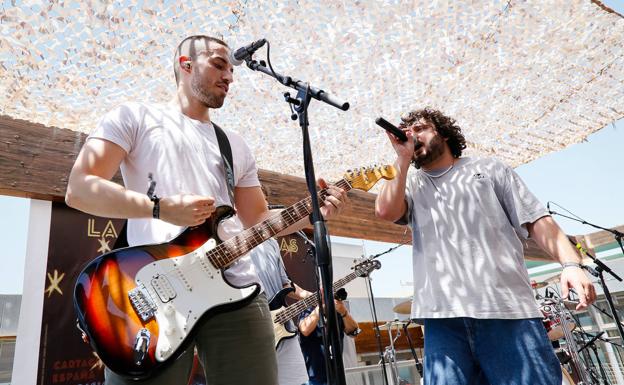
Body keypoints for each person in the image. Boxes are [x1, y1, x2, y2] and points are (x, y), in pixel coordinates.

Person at [65, 34, 348, 385]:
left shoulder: (235, 145)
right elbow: (79, 189)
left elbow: (257, 219)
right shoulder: (133, 117)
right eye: (218, 64)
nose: (229, 76)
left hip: (238, 289)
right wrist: (160, 209)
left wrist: (309, 213)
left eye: (232, 69)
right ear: (185, 64)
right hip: (156, 293)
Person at [374, 107, 597, 385]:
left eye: (420, 128)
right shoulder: (410, 182)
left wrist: (571, 264)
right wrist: (401, 158)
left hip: (506, 312)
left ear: (443, 132)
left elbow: (536, 218)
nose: (411, 134)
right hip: (442, 319)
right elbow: (385, 211)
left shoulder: (488, 168)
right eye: (407, 131)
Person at [249, 236, 312, 385]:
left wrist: (311, 296)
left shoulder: (271, 242)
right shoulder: (230, 233)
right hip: (251, 328)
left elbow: (286, 284)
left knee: (296, 381)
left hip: (284, 329)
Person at [297, 291, 359, 385]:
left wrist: (343, 312)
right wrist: (320, 307)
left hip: (336, 375)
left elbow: (354, 332)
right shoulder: (308, 310)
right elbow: (305, 329)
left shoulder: (337, 313)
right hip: (313, 377)